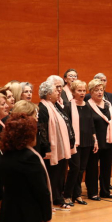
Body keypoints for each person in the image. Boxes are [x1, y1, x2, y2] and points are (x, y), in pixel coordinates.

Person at [0, 113, 52, 222]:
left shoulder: (6, 154)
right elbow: (40, 190)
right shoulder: (29, 158)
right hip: (28, 216)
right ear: (27, 135)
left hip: (11, 213)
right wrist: (46, 213)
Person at [38, 80, 75, 210]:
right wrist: (47, 148)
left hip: (61, 147)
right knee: (52, 175)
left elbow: (66, 122)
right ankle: (50, 201)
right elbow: (42, 130)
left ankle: (58, 198)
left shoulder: (56, 105)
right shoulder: (42, 108)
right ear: (48, 94)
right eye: (55, 90)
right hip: (51, 149)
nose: (59, 91)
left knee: (60, 175)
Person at [64, 80, 98, 205]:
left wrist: (95, 140)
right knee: (75, 168)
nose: (82, 93)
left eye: (84, 90)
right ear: (73, 92)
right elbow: (66, 126)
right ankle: (67, 194)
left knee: (81, 169)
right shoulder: (68, 106)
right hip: (75, 143)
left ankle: (77, 194)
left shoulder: (87, 106)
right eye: (79, 90)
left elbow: (91, 125)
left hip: (87, 141)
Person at [85, 79, 112, 200]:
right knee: (92, 168)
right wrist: (94, 140)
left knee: (106, 167)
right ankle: (92, 192)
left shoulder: (108, 104)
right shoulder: (87, 105)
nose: (99, 92)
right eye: (96, 90)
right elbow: (88, 125)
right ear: (91, 92)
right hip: (95, 142)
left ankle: (105, 191)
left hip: (108, 141)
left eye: (101, 90)